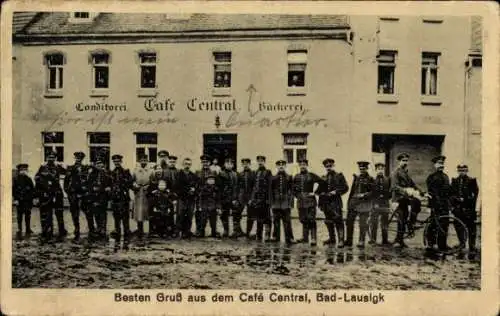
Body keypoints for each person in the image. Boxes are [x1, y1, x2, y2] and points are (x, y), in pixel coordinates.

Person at [390, 152, 424, 248]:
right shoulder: (395, 172)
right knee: (401, 219)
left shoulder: (405, 173)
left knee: (416, 202)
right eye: (403, 161)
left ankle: (411, 224)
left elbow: (413, 184)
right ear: (399, 162)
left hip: (405, 198)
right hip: (398, 198)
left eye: (406, 161)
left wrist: (422, 192)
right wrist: (405, 190)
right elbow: (394, 187)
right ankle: (398, 240)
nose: (405, 162)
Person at [316, 158, 349, 247]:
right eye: (327, 166)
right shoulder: (323, 177)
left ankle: (341, 240)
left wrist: (336, 192)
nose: (328, 168)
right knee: (328, 221)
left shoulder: (339, 176)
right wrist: (320, 193)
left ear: (333, 166)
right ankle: (332, 238)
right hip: (326, 203)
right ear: (325, 167)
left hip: (336, 203)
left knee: (338, 221)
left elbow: (345, 187)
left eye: (330, 166)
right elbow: (318, 191)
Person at [36, 151, 67, 239]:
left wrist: (63, 167)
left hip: (57, 192)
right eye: (49, 157)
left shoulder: (58, 167)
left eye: (53, 157)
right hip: (47, 193)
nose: (51, 159)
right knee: (47, 212)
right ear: (46, 158)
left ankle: (62, 230)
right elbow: (37, 178)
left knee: (59, 212)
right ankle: (47, 230)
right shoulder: (42, 167)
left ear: (55, 158)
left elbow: (67, 173)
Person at [450, 164, 479, 258]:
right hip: (458, 210)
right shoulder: (454, 181)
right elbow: (451, 194)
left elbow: (475, 195)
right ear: (458, 171)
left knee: (471, 229)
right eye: (460, 170)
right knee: (458, 226)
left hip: (469, 209)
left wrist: (466, 200)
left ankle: (472, 246)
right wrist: (454, 204)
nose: (462, 172)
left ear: (467, 171)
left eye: (464, 170)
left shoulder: (472, 181)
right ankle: (462, 244)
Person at [425, 155, 451, 253]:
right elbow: (431, 193)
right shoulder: (431, 177)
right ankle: (430, 244)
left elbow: (448, 192)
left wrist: (449, 204)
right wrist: (430, 206)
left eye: (442, 163)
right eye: (439, 163)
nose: (441, 165)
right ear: (435, 165)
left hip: (444, 205)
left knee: (444, 225)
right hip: (435, 205)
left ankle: (442, 245)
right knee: (433, 225)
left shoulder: (446, 177)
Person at [346, 161, 375, 248]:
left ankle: (361, 240)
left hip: (364, 204)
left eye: (364, 168)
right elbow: (352, 191)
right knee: (349, 222)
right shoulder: (356, 178)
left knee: (362, 223)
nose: (362, 170)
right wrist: (349, 202)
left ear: (367, 169)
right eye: (360, 168)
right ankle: (348, 240)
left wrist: (364, 195)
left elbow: (373, 192)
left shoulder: (371, 179)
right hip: (354, 203)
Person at [293, 159, 322, 246]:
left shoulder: (311, 175)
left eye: (304, 164)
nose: (302, 166)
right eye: (301, 164)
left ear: (307, 165)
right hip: (301, 201)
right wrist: (297, 195)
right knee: (303, 219)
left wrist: (315, 192)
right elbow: (293, 188)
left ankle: (313, 238)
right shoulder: (296, 176)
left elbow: (322, 182)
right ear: (299, 166)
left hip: (310, 201)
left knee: (311, 219)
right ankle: (305, 238)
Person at [64, 151, 90, 241]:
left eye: (80, 158)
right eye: (77, 158)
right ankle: (77, 228)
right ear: (75, 158)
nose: (78, 160)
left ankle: (91, 228)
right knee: (74, 212)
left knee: (87, 211)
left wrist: (87, 191)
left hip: (83, 193)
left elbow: (88, 180)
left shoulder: (85, 168)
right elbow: (66, 181)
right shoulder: (70, 168)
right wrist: (68, 192)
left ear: (82, 159)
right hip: (73, 193)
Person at [87, 157, 112, 242]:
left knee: (103, 212)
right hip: (94, 197)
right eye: (97, 163)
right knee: (96, 213)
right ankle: (98, 228)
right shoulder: (91, 174)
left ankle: (103, 229)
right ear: (95, 165)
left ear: (103, 164)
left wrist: (108, 189)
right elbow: (89, 186)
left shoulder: (106, 174)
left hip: (103, 197)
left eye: (100, 163)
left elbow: (109, 185)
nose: (99, 165)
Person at [109, 154, 133, 242]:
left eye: (118, 161)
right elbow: (109, 185)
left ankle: (127, 232)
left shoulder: (126, 172)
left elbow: (130, 183)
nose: (117, 163)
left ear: (121, 161)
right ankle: (117, 231)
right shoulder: (111, 173)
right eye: (115, 161)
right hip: (115, 198)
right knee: (116, 216)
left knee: (125, 216)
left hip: (124, 197)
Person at [270, 160, 294, 245]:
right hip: (276, 203)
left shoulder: (289, 177)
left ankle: (290, 238)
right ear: (276, 167)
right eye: (279, 165)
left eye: (283, 165)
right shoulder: (273, 178)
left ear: (285, 166)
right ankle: (275, 236)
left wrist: (291, 203)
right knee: (276, 220)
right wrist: (271, 203)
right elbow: (271, 191)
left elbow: (292, 191)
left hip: (285, 202)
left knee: (287, 221)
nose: (281, 166)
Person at [249, 155, 273, 242]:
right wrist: (252, 198)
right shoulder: (255, 172)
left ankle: (267, 234)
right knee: (258, 217)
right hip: (257, 198)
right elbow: (254, 187)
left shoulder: (268, 172)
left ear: (264, 162)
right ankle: (258, 235)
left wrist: (269, 199)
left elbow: (270, 187)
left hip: (265, 198)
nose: (260, 162)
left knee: (267, 217)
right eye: (258, 161)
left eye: (262, 161)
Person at [34, 165, 58, 243]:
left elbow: (55, 187)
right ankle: (44, 232)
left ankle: (49, 233)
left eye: (46, 171)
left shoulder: (51, 178)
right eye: (43, 171)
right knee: (43, 217)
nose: (45, 172)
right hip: (42, 200)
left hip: (50, 200)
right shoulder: (38, 179)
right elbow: (36, 189)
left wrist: (54, 196)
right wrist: (37, 197)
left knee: (49, 217)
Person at [369, 162, 392, 246]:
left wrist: (387, 197)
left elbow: (390, 191)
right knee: (374, 222)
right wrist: (375, 203)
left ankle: (385, 240)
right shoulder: (373, 180)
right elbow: (372, 193)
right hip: (376, 204)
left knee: (385, 222)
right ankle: (373, 240)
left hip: (385, 203)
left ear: (384, 169)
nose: (380, 170)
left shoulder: (387, 179)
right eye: (379, 169)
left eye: (382, 168)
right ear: (376, 170)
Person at [132, 154, 153, 239]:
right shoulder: (135, 170)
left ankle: (150, 230)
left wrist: (149, 186)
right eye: (142, 160)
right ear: (139, 161)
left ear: (147, 161)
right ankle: (139, 229)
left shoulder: (151, 171)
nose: (143, 162)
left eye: (145, 160)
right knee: (139, 212)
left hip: (147, 193)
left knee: (147, 211)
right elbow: (132, 181)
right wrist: (135, 185)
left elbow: (153, 182)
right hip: (138, 193)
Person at [176, 158, 199, 239]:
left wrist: (194, 190)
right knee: (180, 215)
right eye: (186, 164)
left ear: (191, 165)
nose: (187, 165)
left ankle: (187, 231)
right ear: (183, 164)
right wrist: (187, 190)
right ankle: (179, 232)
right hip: (182, 198)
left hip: (191, 199)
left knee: (189, 215)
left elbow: (196, 186)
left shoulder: (193, 175)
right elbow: (177, 186)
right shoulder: (179, 174)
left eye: (189, 164)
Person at [13, 163, 35, 240]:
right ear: (19, 170)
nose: (24, 171)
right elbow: (14, 190)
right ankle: (19, 229)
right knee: (19, 216)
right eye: (22, 170)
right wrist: (15, 199)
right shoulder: (15, 179)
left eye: (25, 169)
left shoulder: (28, 179)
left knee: (27, 215)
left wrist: (32, 198)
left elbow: (32, 189)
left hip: (27, 200)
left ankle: (28, 228)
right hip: (19, 200)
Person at [218, 157, 239, 238]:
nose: (229, 165)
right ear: (224, 164)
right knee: (224, 214)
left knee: (235, 214)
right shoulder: (221, 174)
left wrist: (235, 198)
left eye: (231, 164)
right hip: (224, 198)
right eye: (227, 163)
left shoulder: (235, 174)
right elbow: (219, 188)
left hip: (233, 198)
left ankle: (235, 231)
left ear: (233, 165)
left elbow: (236, 187)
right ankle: (226, 230)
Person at [195, 155, 214, 237]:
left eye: (207, 162)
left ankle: (213, 231)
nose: (205, 163)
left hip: (210, 197)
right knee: (199, 213)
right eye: (203, 162)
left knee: (210, 214)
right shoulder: (197, 172)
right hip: (200, 196)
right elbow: (195, 185)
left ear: (209, 163)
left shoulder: (213, 172)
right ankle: (199, 230)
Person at [197, 172, 221, 238]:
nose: (211, 181)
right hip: (205, 207)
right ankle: (202, 233)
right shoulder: (203, 189)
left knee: (213, 221)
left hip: (213, 207)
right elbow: (200, 198)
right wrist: (200, 206)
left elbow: (218, 199)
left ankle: (213, 233)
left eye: (212, 179)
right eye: (209, 179)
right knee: (203, 221)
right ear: (206, 181)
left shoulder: (216, 189)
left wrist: (218, 207)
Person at [237, 158, 255, 239]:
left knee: (250, 215)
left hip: (250, 197)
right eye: (243, 164)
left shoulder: (253, 174)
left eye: (247, 163)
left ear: (249, 164)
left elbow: (255, 187)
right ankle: (239, 231)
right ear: (242, 165)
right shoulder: (240, 174)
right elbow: (237, 186)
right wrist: (238, 197)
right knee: (237, 214)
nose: (245, 165)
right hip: (241, 197)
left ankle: (248, 232)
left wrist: (252, 198)